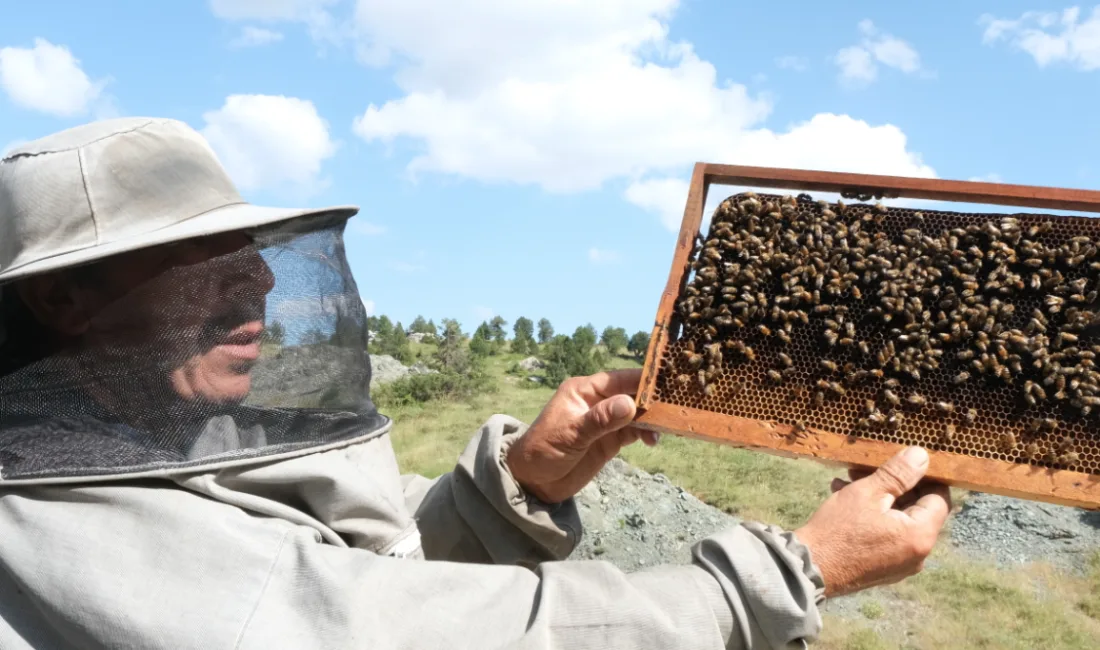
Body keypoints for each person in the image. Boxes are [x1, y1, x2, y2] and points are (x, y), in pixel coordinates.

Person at [0, 117, 951, 649]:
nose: (256, 280)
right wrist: (783, 577)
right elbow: (371, 627)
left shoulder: (155, 436)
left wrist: (514, 485)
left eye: (249, 248)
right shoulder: (67, 528)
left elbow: (346, 557)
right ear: (62, 299)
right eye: (200, 258)